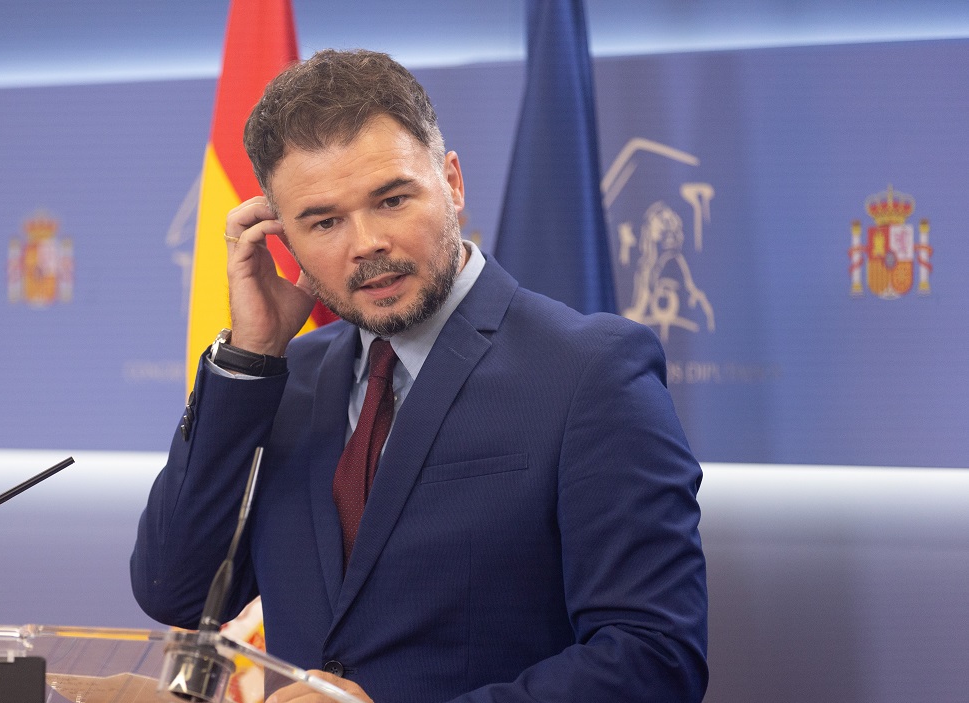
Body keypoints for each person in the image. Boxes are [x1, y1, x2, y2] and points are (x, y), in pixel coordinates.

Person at [132, 49, 708, 703]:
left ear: (453, 183)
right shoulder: (277, 381)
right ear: (282, 241)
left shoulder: (592, 372)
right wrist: (247, 357)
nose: (366, 242)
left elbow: (654, 659)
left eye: (392, 199)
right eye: (324, 221)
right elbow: (172, 587)